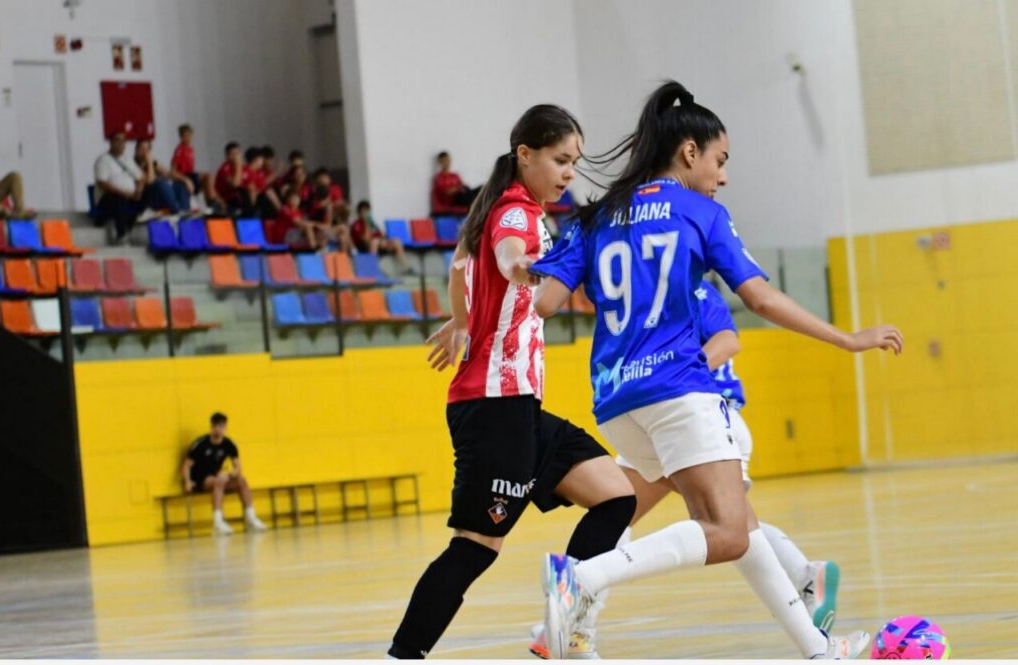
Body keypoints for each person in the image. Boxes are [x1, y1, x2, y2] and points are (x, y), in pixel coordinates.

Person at [532, 80, 902, 660]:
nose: (723, 175)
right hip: (679, 391)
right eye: (720, 160)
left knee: (742, 525)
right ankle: (585, 579)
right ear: (689, 153)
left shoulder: (596, 216)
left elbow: (545, 302)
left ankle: (819, 650)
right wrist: (846, 339)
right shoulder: (701, 212)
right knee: (725, 531)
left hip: (617, 401)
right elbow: (759, 299)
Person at [386, 105, 636, 660]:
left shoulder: (495, 207)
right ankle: (403, 656)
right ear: (525, 154)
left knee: (617, 497)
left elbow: (457, 268)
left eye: (574, 162)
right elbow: (506, 256)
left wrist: (462, 320)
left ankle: (561, 626)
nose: (569, 172)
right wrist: (522, 270)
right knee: (475, 547)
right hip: (495, 407)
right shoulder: (518, 214)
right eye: (560, 159)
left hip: (517, 407)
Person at [527, 278, 841, 658]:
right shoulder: (646, 297)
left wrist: (679, 374)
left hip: (698, 416)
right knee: (718, 523)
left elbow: (729, 341)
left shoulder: (690, 287)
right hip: (674, 416)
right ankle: (807, 587)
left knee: (716, 526)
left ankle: (576, 618)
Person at [180, 412, 268, 536]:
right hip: (200, 479)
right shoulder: (200, 444)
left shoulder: (229, 444)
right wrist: (187, 481)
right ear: (211, 427)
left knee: (241, 481)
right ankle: (218, 522)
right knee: (218, 481)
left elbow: (238, 468)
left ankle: (251, 518)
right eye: (215, 426)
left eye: (221, 426)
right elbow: (186, 465)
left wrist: (230, 474)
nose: (218, 429)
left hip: (218, 476)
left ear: (225, 428)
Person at [94, 131, 147, 243]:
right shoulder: (103, 160)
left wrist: (139, 190)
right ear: (111, 142)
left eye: (123, 141)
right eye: (117, 140)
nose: (121, 143)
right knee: (120, 199)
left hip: (130, 196)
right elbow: (102, 184)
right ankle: (122, 235)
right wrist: (125, 193)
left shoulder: (128, 160)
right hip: (109, 199)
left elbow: (141, 178)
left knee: (150, 194)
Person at [350, 200, 414, 274]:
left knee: (397, 241)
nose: (366, 213)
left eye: (367, 211)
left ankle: (406, 267)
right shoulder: (356, 225)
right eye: (363, 211)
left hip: (378, 245)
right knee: (375, 242)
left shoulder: (372, 223)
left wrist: (384, 241)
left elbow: (382, 236)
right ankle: (373, 269)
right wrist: (366, 224)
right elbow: (365, 240)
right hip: (365, 247)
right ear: (359, 212)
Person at [170, 124, 223, 212]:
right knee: (208, 176)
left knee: (209, 183)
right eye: (185, 136)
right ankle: (212, 203)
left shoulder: (190, 149)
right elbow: (173, 171)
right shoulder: (180, 150)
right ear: (181, 137)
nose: (188, 138)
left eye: (189, 135)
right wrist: (185, 180)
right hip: (185, 176)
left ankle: (211, 206)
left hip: (191, 175)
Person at [134, 139, 190, 214]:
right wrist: (150, 163)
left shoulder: (153, 163)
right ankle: (178, 211)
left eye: (146, 149)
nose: (144, 152)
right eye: (141, 148)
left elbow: (168, 173)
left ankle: (185, 213)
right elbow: (150, 181)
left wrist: (185, 180)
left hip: (159, 194)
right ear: (136, 150)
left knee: (180, 185)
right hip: (146, 196)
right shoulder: (133, 165)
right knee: (161, 184)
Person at [307, 168, 350, 251]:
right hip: (319, 231)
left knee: (343, 235)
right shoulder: (315, 206)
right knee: (337, 229)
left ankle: (344, 258)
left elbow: (329, 223)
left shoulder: (329, 206)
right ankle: (319, 251)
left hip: (327, 229)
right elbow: (319, 224)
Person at [431, 150, 478, 215]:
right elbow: (447, 193)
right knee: (467, 196)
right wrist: (458, 188)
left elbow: (463, 187)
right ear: (440, 162)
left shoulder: (455, 175)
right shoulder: (439, 177)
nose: (447, 162)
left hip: (461, 197)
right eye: (444, 160)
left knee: (480, 189)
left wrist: (458, 188)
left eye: (448, 160)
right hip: (452, 201)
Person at [215, 142, 255, 216]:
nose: (236, 157)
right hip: (227, 199)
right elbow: (235, 184)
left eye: (237, 153)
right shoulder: (224, 168)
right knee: (240, 191)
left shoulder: (246, 168)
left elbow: (251, 187)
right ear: (227, 156)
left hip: (243, 201)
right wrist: (238, 165)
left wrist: (252, 206)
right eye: (233, 154)